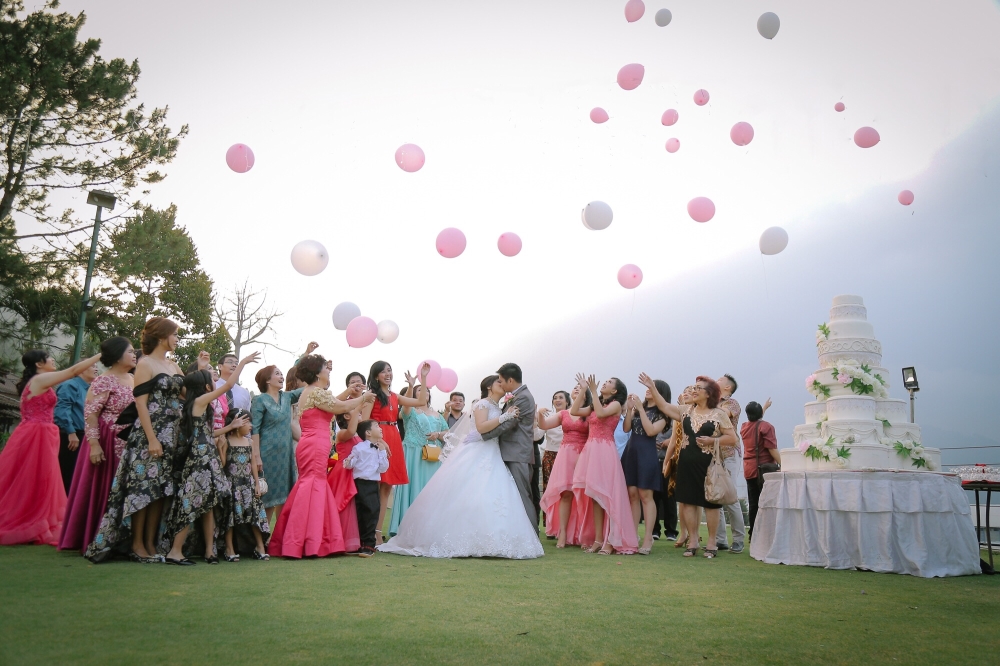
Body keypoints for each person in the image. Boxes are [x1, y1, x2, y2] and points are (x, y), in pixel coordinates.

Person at [378, 374, 543, 559]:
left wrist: (506, 415)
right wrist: (505, 417)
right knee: (470, 492)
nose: (502, 384)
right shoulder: (481, 404)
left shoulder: (499, 406)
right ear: (489, 387)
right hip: (477, 451)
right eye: (498, 382)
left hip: (493, 453)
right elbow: (481, 427)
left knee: (493, 494)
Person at [86, 317, 184, 562]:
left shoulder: (173, 365)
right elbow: (141, 403)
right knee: (143, 489)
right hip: (149, 433)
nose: (177, 339)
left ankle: (152, 545)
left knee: (161, 492)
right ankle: (137, 545)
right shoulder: (145, 364)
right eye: (175, 334)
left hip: (173, 433)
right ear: (162, 337)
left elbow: (187, 392)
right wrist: (152, 439)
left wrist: (202, 370)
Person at [269, 355, 370, 558]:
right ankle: (305, 542)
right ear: (317, 373)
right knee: (312, 486)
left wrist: (350, 393)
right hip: (314, 445)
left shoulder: (313, 393)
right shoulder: (315, 392)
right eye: (325, 368)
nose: (328, 370)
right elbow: (339, 407)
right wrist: (363, 398)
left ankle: (312, 540)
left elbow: (333, 402)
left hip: (314, 444)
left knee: (312, 486)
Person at [0, 349, 103, 546]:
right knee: (32, 477)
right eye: (49, 358)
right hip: (35, 434)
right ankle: (25, 521)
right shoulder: (40, 380)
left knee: (40, 478)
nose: (53, 360)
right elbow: (73, 371)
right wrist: (100, 354)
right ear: (39, 364)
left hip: (41, 433)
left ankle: (35, 520)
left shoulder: (40, 380)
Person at [163, 352, 258, 565]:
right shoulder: (199, 401)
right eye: (211, 380)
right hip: (200, 459)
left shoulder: (194, 404)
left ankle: (210, 550)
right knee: (192, 502)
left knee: (208, 503)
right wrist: (242, 363)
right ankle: (175, 551)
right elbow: (227, 386)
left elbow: (208, 433)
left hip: (206, 455)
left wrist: (229, 427)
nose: (215, 382)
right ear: (207, 388)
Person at [643, 373, 737, 559]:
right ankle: (693, 540)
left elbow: (732, 438)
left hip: (708, 464)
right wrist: (653, 388)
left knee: (710, 503)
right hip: (686, 461)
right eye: (693, 389)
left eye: (698, 389)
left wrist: (712, 440)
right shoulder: (686, 410)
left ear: (709, 393)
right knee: (688, 501)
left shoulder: (719, 414)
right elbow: (663, 406)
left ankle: (711, 543)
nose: (693, 391)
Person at [58, 337, 137, 553]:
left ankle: (123, 539)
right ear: (118, 355)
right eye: (130, 351)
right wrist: (94, 444)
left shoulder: (133, 378)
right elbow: (91, 414)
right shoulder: (104, 380)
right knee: (104, 486)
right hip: (107, 438)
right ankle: (97, 537)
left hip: (130, 438)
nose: (134, 355)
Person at [360, 361, 428, 545]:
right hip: (377, 441)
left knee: (387, 487)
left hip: (393, 438)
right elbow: (363, 422)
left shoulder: (394, 396)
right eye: (383, 372)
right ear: (376, 376)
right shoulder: (372, 396)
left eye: (389, 371)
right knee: (373, 488)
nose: (387, 374)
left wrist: (422, 379)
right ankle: (366, 533)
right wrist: (377, 440)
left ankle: (377, 532)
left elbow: (421, 401)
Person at [570, 374, 638, 555]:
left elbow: (601, 414)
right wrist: (584, 389)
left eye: (609, 382)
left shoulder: (615, 405)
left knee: (608, 496)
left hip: (605, 450)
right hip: (591, 450)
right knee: (595, 497)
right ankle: (598, 539)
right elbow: (574, 411)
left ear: (614, 390)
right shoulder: (596, 403)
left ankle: (611, 540)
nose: (604, 383)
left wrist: (592, 390)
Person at [480, 363, 538, 531]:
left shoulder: (523, 397)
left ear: (510, 380)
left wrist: (483, 435)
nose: (501, 384)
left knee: (522, 495)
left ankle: (532, 536)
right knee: (512, 496)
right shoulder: (518, 395)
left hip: (517, 453)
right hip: (509, 452)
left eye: (501, 380)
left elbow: (510, 423)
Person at [388, 382, 448, 536]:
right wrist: (411, 385)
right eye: (419, 390)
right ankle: (408, 528)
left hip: (433, 456)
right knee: (414, 487)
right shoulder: (410, 411)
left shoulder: (437, 414)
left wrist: (438, 435)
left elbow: (447, 432)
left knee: (431, 490)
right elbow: (403, 407)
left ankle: (429, 529)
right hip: (413, 455)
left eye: (426, 390)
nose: (424, 392)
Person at [251, 365, 305, 523]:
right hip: (267, 454)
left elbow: (308, 389)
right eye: (277, 374)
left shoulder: (287, 397)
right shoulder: (259, 400)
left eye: (282, 374)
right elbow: (254, 429)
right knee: (267, 498)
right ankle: (263, 539)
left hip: (285, 455)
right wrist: (257, 456)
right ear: (267, 380)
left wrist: (320, 370)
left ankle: (279, 539)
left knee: (286, 498)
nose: (281, 376)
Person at [622, 380, 671, 555]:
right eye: (647, 388)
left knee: (646, 495)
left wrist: (641, 410)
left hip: (647, 454)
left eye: (653, 388)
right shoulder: (637, 408)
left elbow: (650, 431)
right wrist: (629, 409)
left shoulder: (663, 414)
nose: (648, 391)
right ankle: (632, 536)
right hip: (631, 453)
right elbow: (626, 428)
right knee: (632, 494)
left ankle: (648, 537)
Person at [538, 386, 589, 547]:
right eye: (574, 388)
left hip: (584, 454)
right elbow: (544, 425)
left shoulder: (590, 413)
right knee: (566, 494)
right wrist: (539, 414)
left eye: (580, 388)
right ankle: (563, 533)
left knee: (584, 496)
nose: (576, 390)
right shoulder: (563, 414)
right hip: (565, 455)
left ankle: (584, 534)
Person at [323, 371, 368, 554]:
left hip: (354, 472)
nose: (359, 415)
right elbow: (350, 432)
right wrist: (359, 403)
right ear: (348, 417)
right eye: (355, 412)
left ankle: (352, 541)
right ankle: (338, 540)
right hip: (342, 473)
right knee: (343, 507)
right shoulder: (342, 434)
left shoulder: (358, 434)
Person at [220, 408, 271, 561]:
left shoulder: (249, 441)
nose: (251, 426)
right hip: (232, 485)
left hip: (247, 485)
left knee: (255, 514)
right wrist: (220, 448)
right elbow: (223, 464)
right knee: (231, 516)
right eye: (247, 422)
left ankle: (260, 546)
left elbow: (253, 464)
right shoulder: (226, 441)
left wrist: (256, 483)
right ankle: (229, 548)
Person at [343, 420, 390, 557]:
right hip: (359, 483)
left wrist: (382, 453)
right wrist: (348, 461)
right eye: (377, 426)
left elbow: (383, 468)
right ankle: (360, 543)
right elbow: (351, 462)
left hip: (373, 484)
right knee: (360, 513)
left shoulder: (379, 449)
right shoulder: (359, 448)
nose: (380, 428)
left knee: (372, 512)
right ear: (368, 433)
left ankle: (369, 544)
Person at [713, 374, 746, 554]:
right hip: (714, 454)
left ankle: (739, 539)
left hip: (730, 453)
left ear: (727, 388)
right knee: (715, 496)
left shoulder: (731, 403)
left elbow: (723, 414)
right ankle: (720, 540)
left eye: (719, 380)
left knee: (730, 496)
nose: (716, 381)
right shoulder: (711, 403)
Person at [54, 361, 99, 492]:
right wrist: (71, 432)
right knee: (67, 472)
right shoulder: (70, 385)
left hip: (84, 435)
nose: (96, 369)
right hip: (71, 435)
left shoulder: (91, 388)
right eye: (92, 366)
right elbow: (62, 409)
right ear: (81, 370)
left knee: (77, 474)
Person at [741, 400, 779, 539]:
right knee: (767, 503)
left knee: (753, 503)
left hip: (749, 469)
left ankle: (753, 534)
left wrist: (764, 407)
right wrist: (783, 464)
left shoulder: (744, 427)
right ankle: (767, 534)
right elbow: (771, 449)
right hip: (764, 470)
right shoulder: (766, 427)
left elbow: (755, 420)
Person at [538, 391, 569, 495]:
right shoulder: (548, 417)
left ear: (567, 402)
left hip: (567, 457)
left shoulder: (573, 417)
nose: (557, 400)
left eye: (561, 397)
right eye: (555, 398)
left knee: (566, 491)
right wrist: (537, 417)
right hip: (550, 457)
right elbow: (537, 436)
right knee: (550, 490)